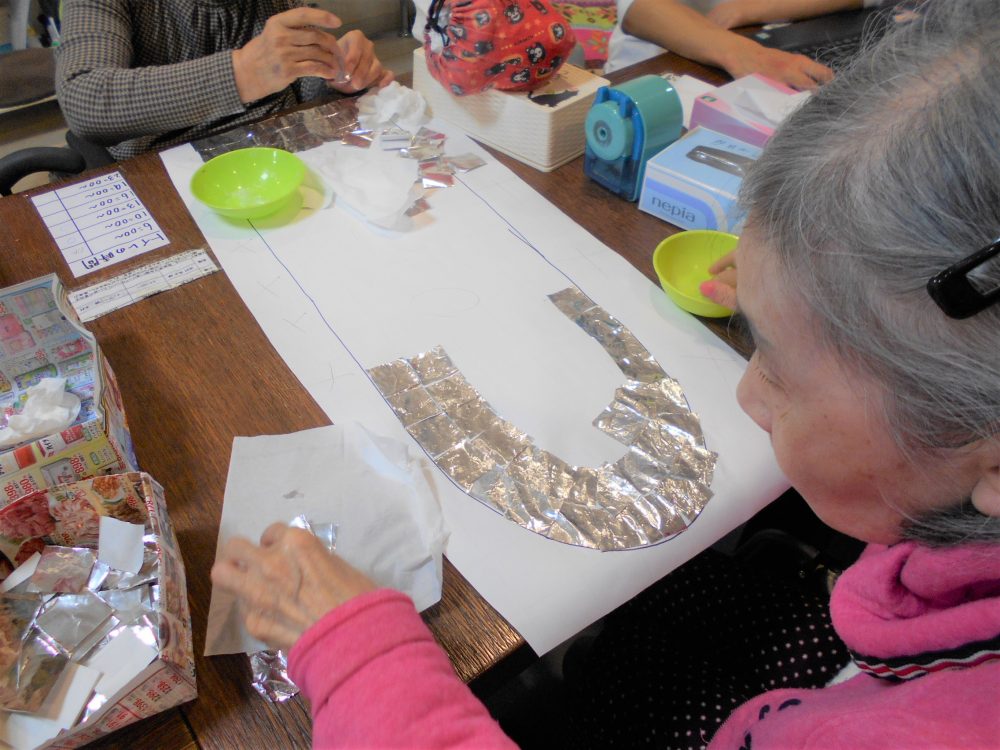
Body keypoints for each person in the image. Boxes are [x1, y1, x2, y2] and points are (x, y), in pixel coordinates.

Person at [211, 1, 1000, 747]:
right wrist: (792, 304)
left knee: (593, 673)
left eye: (783, 373)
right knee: (649, 622)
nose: (746, 392)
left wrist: (359, 658)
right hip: (861, 622)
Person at [55, 1, 394, 160]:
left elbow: (298, 84)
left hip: (280, 157)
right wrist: (243, 72)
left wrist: (335, 75)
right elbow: (86, 100)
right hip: (165, 166)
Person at [606, 0, 880, 88]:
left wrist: (748, 8)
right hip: (659, 62)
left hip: (778, 39)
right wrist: (749, 56)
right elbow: (639, 8)